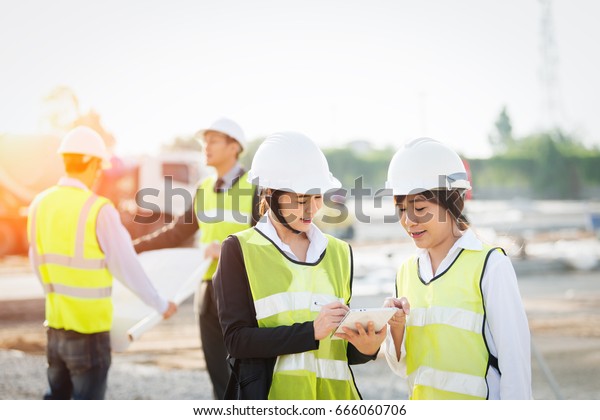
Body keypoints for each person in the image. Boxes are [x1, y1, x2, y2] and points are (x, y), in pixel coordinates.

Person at [213, 131, 386, 400]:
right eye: (302, 200)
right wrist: (310, 332)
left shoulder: (339, 252)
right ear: (270, 194)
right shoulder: (239, 249)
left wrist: (367, 347)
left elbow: (339, 351)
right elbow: (236, 341)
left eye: (317, 197)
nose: (312, 209)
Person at [27, 126, 177, 400]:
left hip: (55, 326)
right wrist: (160, 303)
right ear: (93, 163)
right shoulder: (97, 209)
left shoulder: (40, 204)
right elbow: (126, 266)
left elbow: (36, 261)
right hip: (88, 332)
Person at [382, 137, 532, 400]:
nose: (409, 221)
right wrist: (395, 329)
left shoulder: (490, 266)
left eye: (419, 208)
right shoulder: (406, 271)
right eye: (401, 209)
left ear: (454, 203)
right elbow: (402, 367)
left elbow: (515, 369)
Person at [133, 117, 259, 399]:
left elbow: (268, 241)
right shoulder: (203, 189)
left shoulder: (256, 187)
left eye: (213, 141)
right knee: (218, 374)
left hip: (244, 289)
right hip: (208, 290)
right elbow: (176, 233)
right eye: (205, 141)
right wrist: (132, 248)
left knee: (247, 373)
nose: (206, 147)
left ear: (234, 147)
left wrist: (228, 249)